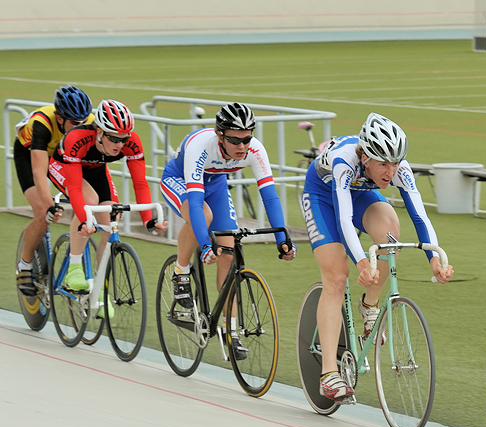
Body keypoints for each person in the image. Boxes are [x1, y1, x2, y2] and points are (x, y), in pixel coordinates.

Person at [301, 112, 453, 401]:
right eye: (383, 163)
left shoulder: (399, 169)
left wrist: (434, 258)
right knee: (337, 277)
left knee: (390, 234)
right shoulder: (345, 162)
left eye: (395, 162)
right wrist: (360, 261)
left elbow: (419, 215)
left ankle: (369, 305)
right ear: (366, 157)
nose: (390, 171)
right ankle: (329, 374)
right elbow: (344, 218)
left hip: (359, 195)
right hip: (322, 197)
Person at [159, 102, 295, 358]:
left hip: (216, 186)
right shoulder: (201, 145)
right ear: (219, 134)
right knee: (204, 217)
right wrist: (206, 243)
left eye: (247, 139)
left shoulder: (254, 150)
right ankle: (181, 271)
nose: (242, 146)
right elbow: (197, 203)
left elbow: (270, 196)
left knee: (229, 253)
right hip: (180, 182)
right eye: (234, 140)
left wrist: (282, 238)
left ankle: (229, 331)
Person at [48, 99, 167, 316]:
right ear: (100, 132)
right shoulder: (77, 139)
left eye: (124, 139)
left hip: (95, 169)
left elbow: (140, 183)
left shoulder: (131, 143)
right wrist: (85, 219)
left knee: (112, 217)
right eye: (114, 138)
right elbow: (75, 188)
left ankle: (99, 289)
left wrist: (148, 220)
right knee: (90, 202)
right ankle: (74, 268)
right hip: (65, 167)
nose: (120, 144)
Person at [14, 86, 93, 296]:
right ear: (60, 119)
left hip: (61, 155)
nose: (81, 126)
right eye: (75, 123)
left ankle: (74, 262)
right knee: (42, 212)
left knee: (85, 200)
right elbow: (39, 171)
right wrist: (50, 205)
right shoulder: (42, 123)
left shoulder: (87, 120)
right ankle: (25, 264)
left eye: (83, 122)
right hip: (30, 154)